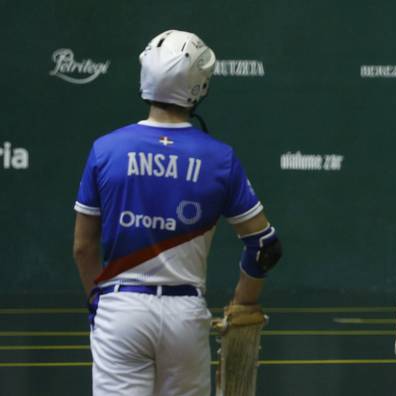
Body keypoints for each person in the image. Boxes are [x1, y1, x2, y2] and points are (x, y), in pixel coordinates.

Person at [72, 30, 281, 396]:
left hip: (120, 309)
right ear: (200, 85)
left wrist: (97, 304)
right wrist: (244, 303)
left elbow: (82, 248)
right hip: (185, 315)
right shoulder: (220, 158)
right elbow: (265, 247)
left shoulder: (106, 150)